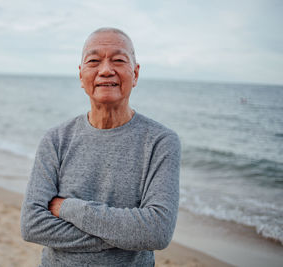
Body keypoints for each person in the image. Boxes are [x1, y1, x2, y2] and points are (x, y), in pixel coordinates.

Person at [21, 27, 181, 267]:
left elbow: (156, 232)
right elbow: (32, 225)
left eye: (118, 60)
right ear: (81, 75)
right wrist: (127, 234)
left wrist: (68, 208)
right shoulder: (55, 140)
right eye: (94, 61)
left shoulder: (161, 141)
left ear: (135, 74)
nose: (106, 70)